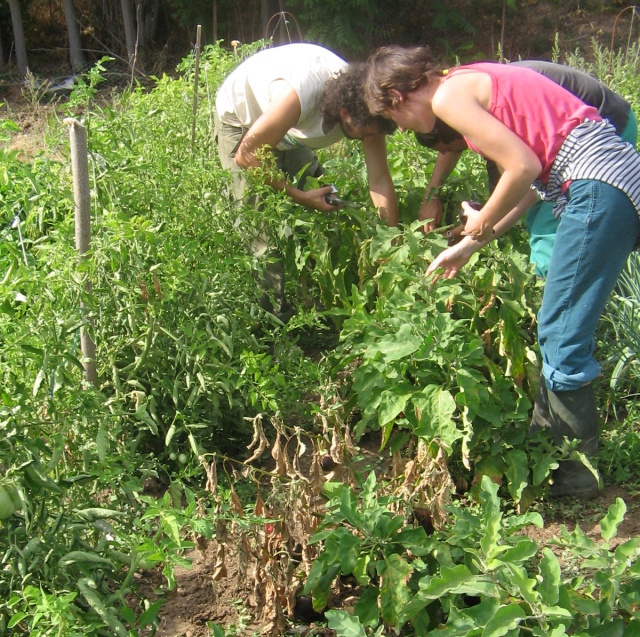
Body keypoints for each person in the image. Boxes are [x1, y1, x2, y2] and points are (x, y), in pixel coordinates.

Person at [364, 45, 640, 498]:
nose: (401, 128)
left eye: (393, 121)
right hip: (608, 175)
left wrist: (482, 219)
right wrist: (473, 243)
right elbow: (532, 183)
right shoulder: (475, 77)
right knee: (559, 326)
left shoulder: (448, 96)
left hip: (595, 182)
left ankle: (575, 475)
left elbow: (523, 166)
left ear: (397, 96)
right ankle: (543, 450)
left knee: (562, 331)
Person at [214, 44, 398, 321]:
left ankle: (316, 298)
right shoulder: (302, 96)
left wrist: (393, 242)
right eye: (364, 135)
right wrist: (299, 195)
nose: (367, 140)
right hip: (242, 121)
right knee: (258, 227)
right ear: (345, 114)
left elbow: (380, 180)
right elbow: (248, 155)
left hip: (288, 126)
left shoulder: (367, 106)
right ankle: (275, 323)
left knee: (318, 210)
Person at [415, 60, 638, 277]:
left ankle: (548, 282)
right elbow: (509, 191)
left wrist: (475, 228)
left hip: (606, 124)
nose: (453, 153)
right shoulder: (470, 91)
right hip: (582, 133)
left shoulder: (478, 112)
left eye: (450, 149)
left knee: (545, 225)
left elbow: (521, 187)